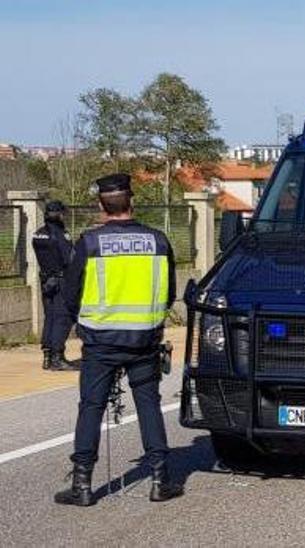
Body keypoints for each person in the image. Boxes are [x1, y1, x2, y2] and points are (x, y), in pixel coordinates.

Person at [54, 174, 183, 507]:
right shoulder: (158, 240)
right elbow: (169, 294)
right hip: (144, 340)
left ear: (101, 205)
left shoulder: (89, 242)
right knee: (148, 405)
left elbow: (70, 295)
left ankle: (82, 484)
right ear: (132, 202)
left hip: (100, 342)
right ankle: (160, 479)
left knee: (91, 407)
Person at [32, 200, 78, 371]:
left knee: (49, 317)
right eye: (62, 213)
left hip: (45, 280)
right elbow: (69, 259)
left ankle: (47, 356)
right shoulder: (61, 235)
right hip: (60, 281)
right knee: (62, 317)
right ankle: (57, 357)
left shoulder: (38, 234)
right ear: (58, 214)